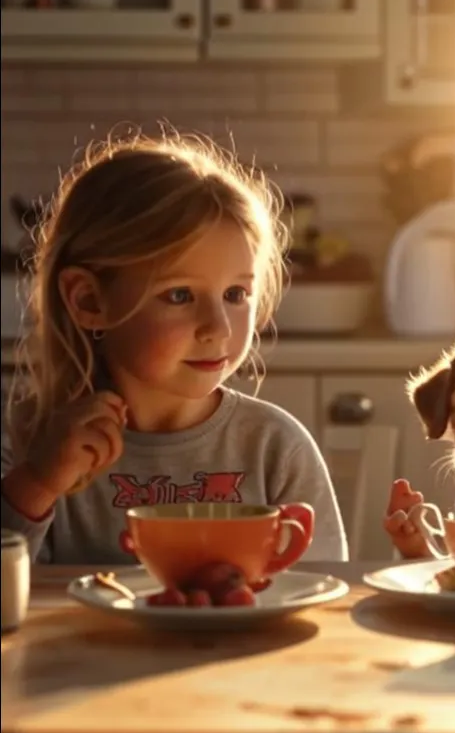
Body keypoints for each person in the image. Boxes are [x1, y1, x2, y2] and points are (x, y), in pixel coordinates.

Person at [0, 129, 347, 564]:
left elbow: (322, 602)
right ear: (89, 300)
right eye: (180, 295)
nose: (218, 328)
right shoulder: (27, 443)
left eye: (236, 295)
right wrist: (37, 484)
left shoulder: (276, 448)